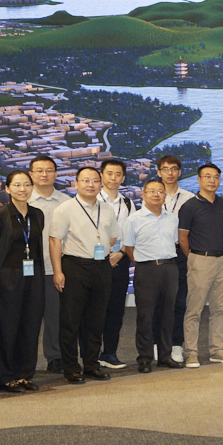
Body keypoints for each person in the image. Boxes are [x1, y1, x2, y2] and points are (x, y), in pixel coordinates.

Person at [47, 166, 122, 384]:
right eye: (85, 181)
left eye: (95, 181)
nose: (90, 185)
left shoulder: (107, 209)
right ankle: (71, 368)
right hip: (74, 266)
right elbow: (54, 241)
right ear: (76, 184)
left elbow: (112, 238)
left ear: (100, 184)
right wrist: (58, 271)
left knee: (96, 320)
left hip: (101, 267)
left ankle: (91, 365)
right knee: (71, 321)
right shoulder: (65, 209)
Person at [0, 170, 45, 391]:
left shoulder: (37, 214)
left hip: (33, 275)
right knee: (6, 327)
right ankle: (5, 376)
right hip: (6, 277)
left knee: (30, 325)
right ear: (7, 189)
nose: (23, 189)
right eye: (17, 185)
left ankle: (24, 374)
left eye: (27, 185)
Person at [177, 164, 223, 368]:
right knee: (195, 309)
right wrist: (194, 258)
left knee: (219, 308)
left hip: (221, 259)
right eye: (208, 176)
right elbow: (182, 238)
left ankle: (216, 349)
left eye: (216, 177)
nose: (212, 180)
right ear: (199, 180)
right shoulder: (189, 206)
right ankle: (191, 352)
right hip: (200, 259)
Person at [26, 155, 67, 374]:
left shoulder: (67, 202)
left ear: (56, 174)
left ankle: (55, 356)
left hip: (55, 267)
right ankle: (24, 360)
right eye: (39, 170)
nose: (44, 174)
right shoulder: (23, 200)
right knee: (27, 317)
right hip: (27, 268)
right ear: (31, 174)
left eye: (49, 170)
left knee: (55, 316)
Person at [156, 154, 194, 365]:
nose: (169, 173)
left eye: (174, 169)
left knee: (179, 301)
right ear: (158, 172)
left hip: (180, 253)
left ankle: (177, 344)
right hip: (156, 253)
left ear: (179, 172)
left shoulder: (189, 198)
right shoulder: (152, 195)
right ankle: (157, 344)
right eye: (165, 169)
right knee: (157, 302)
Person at [96, 158, 134, 371]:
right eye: (109, 173)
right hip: (94, 261)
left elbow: (132, 233)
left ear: (123, 177)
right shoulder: (91, 200)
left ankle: (109, 352)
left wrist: (121, 253)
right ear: (101, 176)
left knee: (116, 310)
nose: (113, 178)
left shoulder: (128, 203)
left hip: (119, 261)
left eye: (118, 174)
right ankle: (91, 354)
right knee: (93, 310)